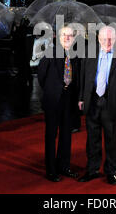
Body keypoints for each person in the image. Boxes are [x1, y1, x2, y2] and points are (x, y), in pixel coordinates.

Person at [78, 26, 116, 185]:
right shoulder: (89, 53)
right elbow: (84, 76)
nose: (107, 42)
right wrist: (81, 97)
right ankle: (92, 169)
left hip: (112, 103)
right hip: (92, 101)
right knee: (92, 139)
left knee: (111, 139)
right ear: (98, 39)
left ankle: (111, 171)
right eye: (104, 39)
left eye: (111, 39)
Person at [37, 25, 80, 182]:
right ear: (58, 37)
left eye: (70, 36)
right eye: (64, 35)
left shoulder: (75, 55)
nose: (67, 38)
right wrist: (53, 89)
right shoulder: (50, 52)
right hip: (53, 100)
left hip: (68, 100)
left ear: (74, 38)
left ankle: (64, 165)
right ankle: (51, 169)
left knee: (66, 134)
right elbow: (41, 76)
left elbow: (77, 77)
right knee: (51, 135)